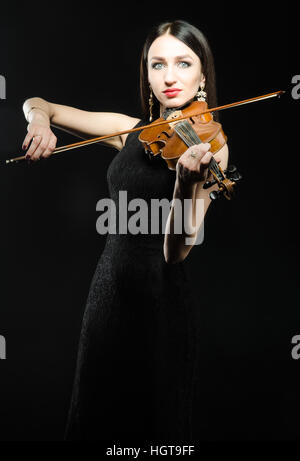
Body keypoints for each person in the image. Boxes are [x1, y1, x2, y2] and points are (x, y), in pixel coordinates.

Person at [22, 20, 228, 442]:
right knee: (93, 418)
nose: (169, 76)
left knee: (152, 428)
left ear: (202, 74)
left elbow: (176, 253)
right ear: (147, 74)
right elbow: (39, 102)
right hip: (107, 296)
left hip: (161, 304)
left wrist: (186, 183)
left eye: (183, 63)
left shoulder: (214, 148)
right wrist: (40, 122)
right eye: (157, 65)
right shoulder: (131, 130)